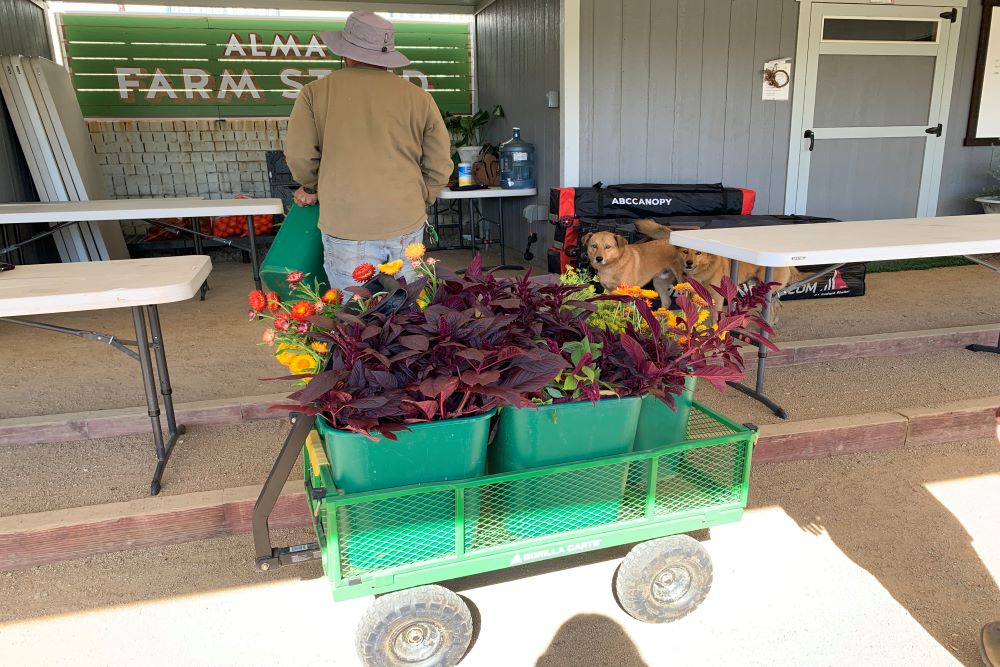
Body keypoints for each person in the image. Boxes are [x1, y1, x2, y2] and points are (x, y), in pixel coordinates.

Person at [284, 10, 453, 290]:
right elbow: (439, 163)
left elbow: (300, 157)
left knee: (356, 316)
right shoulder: (419, 98)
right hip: (406, 219)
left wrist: (317, 187)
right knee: (410, 315)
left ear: (345, 52)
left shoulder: (315, 93)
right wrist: (421, 198)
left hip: (346, 222)